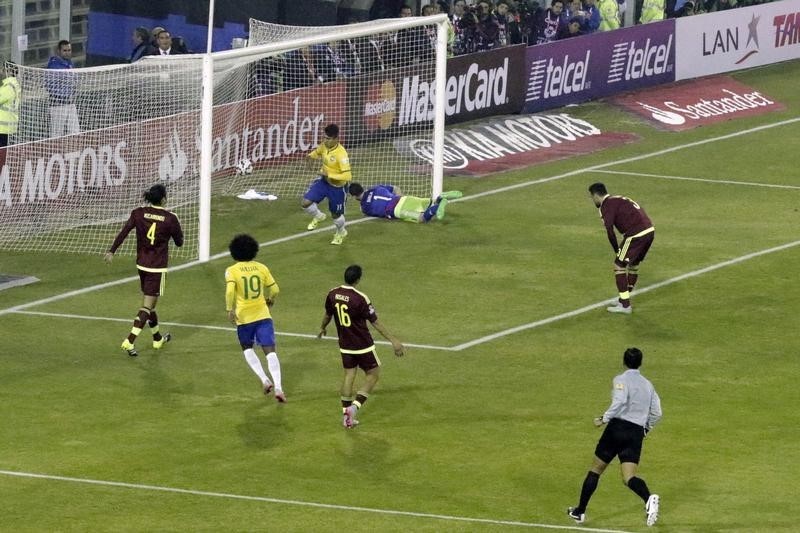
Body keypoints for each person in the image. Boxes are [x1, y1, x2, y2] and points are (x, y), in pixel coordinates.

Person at [567, 347, 662, 527]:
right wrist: (645, 429)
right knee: (629, 478)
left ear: (624, 361)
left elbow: (619, 401)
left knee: (596, 470)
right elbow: (657, 412)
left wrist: (604, 418)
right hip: (635, 433)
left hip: (617, 429)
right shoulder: (648, 385)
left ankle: (580, 512)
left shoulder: (621, 379)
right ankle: (649, 498)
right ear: (640, 363)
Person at [318, 264, 404, 428]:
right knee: (373, 375)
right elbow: (375, 322)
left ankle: (346, 417)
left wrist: (322, 327)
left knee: (349, 375)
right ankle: (354, 408)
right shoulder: (360, 298)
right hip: (363, 344)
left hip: (345, 344)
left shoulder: (333, 293)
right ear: (358, 279)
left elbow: (328, 314)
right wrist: (394, 340)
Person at [104, 184, 184, 356]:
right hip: (156, 267)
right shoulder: (170, 218)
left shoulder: (138, 213)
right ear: (164, 198)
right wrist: (175, 230)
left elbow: (124, 231)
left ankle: (157, 339)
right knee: (147, 306)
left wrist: (112, 250)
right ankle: (129, 341)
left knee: (151, 305)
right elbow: (179, 243)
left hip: (141, 264)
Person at [225, 234, 286, 402]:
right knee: (270, 351)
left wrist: (229, 309)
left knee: (247, 348)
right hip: (263, 315)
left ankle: (264, 380)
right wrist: (270, 300)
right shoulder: (261, 268)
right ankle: (279, 388)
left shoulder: (232, 271)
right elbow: (275, 290)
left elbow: (230, 291)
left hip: (244, 317)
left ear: (234, 252)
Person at [588, 182, 655, 314]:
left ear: (596, 195)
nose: (592, 200)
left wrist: (616, 249)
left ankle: (625, 305)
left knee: (619, 266)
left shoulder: (605, 206)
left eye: (591, 197)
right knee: (634, 265)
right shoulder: (618, 198)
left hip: (635, 234)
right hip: (649, 231)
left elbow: (610, 231)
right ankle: (623, 299)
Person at [302, 123, 352, 245]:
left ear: (336, 138)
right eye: (325, 137)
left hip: (338, 188)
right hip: (324, 183)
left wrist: (329, 175)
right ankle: (319, 216)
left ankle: (341, 232)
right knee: (305, 203)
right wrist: (309, 157)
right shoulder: (324, 146)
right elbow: (316, 153)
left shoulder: (341, 154)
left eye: (328, 139)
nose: (325, 140)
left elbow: (347, 176)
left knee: (336, 214)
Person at [348, 182, 463, 223]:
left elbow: (366, 211)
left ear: (354, 196)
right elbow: (395, 188)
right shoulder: (377, 188)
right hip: (401, 199)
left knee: (422, 218)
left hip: (397, 210)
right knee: (429, 203)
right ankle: (440, 198)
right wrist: (400, 198)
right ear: (362, 187)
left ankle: (438, 207)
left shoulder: (364, 208)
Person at [46, 40, 80, 138]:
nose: (68, 52)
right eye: (65, 50)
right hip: (58, 104)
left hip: (70, 103)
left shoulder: (70, 63)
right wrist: (63, 89)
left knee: (75, 132)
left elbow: (74, 80)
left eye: (69, 50)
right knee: (56, 134)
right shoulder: (53, 66)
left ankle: (74, 153)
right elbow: (49, 85)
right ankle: (54, 152)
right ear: (58, 51)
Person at [0, 61, 20, 149]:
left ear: (9, 71)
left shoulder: (8, 86)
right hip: (8, 127)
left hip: (3, 129)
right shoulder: (14, 84)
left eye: (3, 69)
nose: (1, 72)